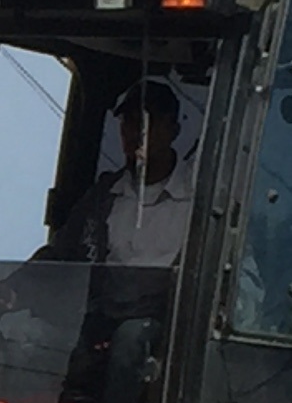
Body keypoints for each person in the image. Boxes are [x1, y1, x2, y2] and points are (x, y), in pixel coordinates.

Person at [45, 77, 197, 268]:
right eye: (128, 121)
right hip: (100, 298)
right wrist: (12, 286)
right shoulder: (102, 197)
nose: (135, 132)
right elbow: (58, 253)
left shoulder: (199, 197)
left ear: (173, 131)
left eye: (147, 122)